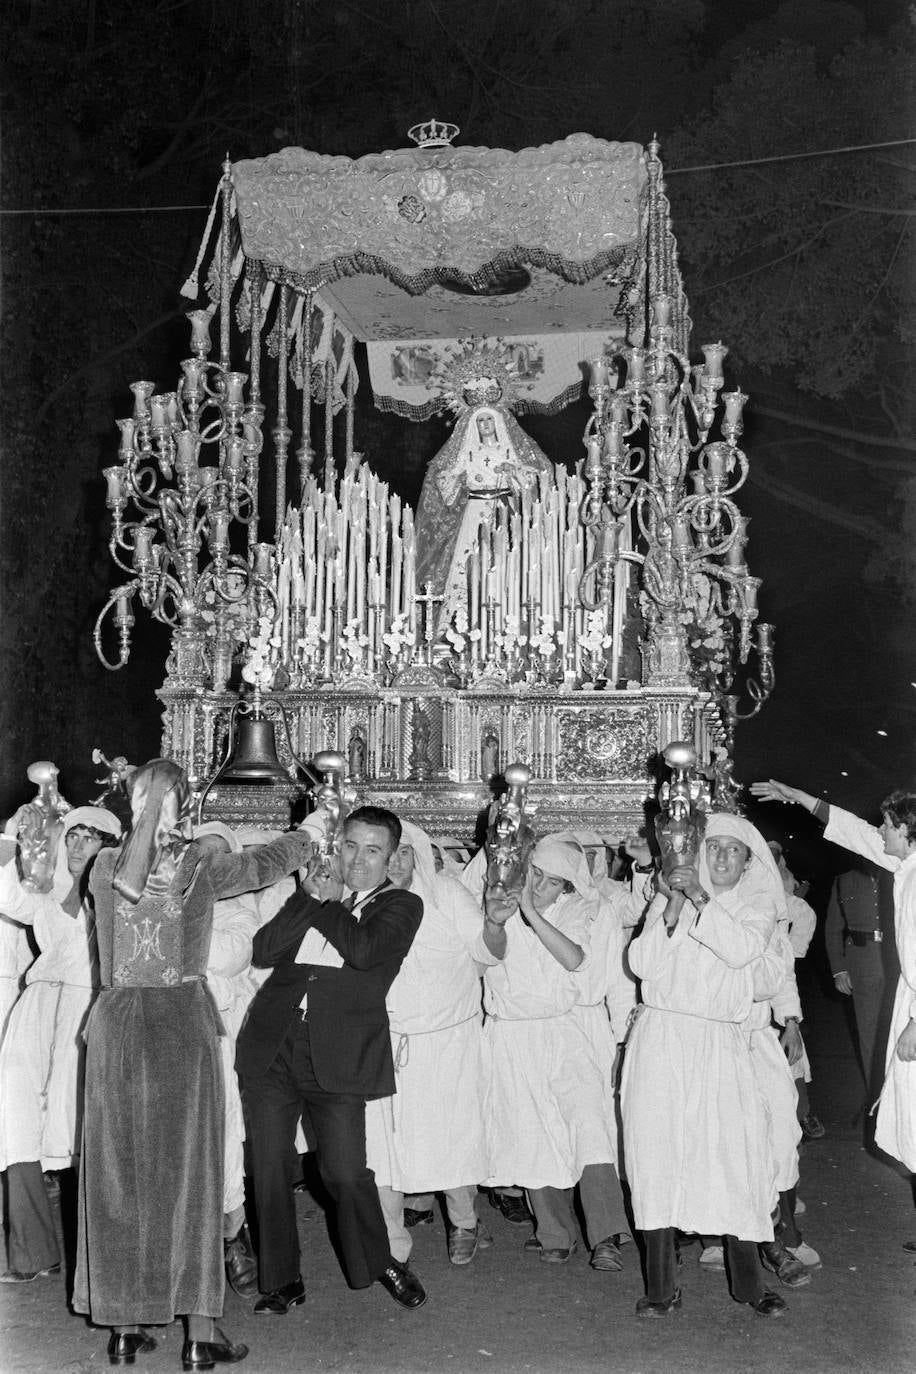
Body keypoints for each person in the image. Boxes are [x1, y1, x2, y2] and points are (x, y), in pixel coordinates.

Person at [72, 759, 315, 1370]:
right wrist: (311, 830)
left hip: (116, 1023)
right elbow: (265, 864)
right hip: (180, 1023)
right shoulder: (199, 866)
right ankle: (201, 1334)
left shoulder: (101, 868)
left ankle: (125, 1327)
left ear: (132, 804)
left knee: (118, 1174)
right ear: (181, 805)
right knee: (191, 1176)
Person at [236, 806, 426, 1315]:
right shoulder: (316, 896)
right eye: (350, 846)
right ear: (335, 845)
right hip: (273, 1046)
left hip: (339, 1056)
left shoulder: (401, 905)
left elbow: (363, 952)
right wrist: (307, 898)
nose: (358, 860)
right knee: (268, 1167)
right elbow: (263, 950)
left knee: (344, 1172)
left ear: (391, 857)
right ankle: (282, 1280)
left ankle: (380, 1259)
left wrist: (328, 903)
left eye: (372, 851)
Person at [621, 814, 787, 1317]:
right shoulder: (666, 898)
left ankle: (750, 1285)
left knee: (733, 1160)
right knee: (656, 1158)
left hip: (720, 1042)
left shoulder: (757, 907)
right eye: (712, 846)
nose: (719, 858)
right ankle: (660, 1287)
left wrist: (699, 899)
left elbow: (740, 953)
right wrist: (672, 902)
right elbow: (642, 966)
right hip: (661, 1039)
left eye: (733, 851)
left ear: (748, 862)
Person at [751, 780, 916, 1184]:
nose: (880, 831)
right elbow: (857, 833)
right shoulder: (907, 865)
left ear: (907, 831)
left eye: (888, 825)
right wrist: (801, 799)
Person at [481, 838, 623, 1267]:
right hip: (511, 1036)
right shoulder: (494, 905)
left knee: (589, 1129)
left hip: (566, 1030)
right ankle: (555, 1233)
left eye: (552, 881)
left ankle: (608, 1238)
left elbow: (576, 959)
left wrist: (530, 911)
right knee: (532, 1133)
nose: (540, 885)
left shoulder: (579, 910)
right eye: (535, 875)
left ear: (567, 887)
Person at [0, 804, 122, 1284]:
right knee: (16, 1121)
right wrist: (13, 837)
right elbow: (8, 895)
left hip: (87, 1012)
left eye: (90, 837)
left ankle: (94, 1264)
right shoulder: (47, 891)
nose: (76, 846)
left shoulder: (122, 896)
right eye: (72, 835)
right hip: (36, 1010)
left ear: (110, 846)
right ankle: (33, 1254)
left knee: (79, 1133)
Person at [366, 820, 497, 1266]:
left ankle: (464, 1222)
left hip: (447, 1041)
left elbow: (488, 950)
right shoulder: (363, 898)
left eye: (406, 853)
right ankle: (390, 1239)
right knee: (382, 1145)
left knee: (453, 1136)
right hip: (384, 1041)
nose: (397, 862)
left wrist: (496, 922)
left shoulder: (446, 894)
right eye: (390, 852)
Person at [194, 821, 264, 1300]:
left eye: (220, 856)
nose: (209, 864)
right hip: (162, 1030)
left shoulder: (242, 908)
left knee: (221, 1138)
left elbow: (226, 955)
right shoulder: (165, 893)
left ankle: (231, 1233)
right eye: (200, 852)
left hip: (214, 1034)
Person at [414, 401, 552, 623]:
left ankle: (508, 615)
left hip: (504, 510)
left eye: (489, 419)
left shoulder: (508, 449)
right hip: (475, 509)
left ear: (497, 423)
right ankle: (460, 617)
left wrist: (513, 470)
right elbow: (445, 478)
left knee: (505, 554)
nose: (485, 424)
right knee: (467, 557)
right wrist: (448, 475)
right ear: (473, 426)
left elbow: (532, 477)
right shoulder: (468, 451)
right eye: (480, 420)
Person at [825, 857, 895, 1094]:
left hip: (896, 963)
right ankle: (876, 1093)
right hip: (862, 965)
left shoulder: (899, 873)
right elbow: (833, 928)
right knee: (869, 1034)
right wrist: (839, 969)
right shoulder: (843, 881)